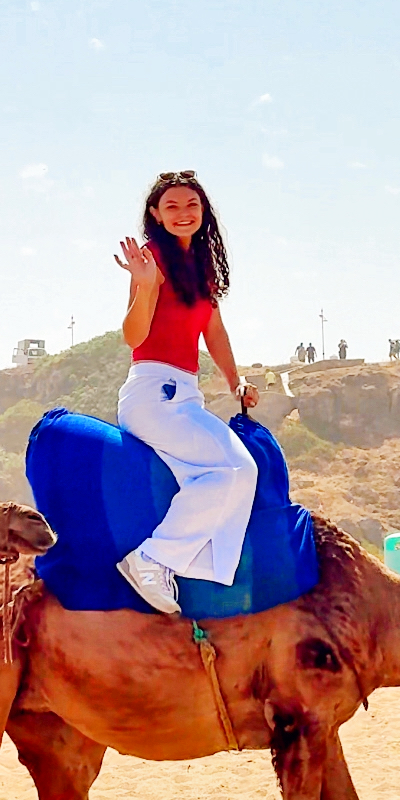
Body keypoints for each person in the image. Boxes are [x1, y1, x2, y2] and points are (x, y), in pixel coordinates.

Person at [114, 171, 260, 614]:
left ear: (203, 212)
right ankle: (151, 558)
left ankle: (175, 565)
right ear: (155, 215)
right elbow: (133, 336)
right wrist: (146, 286)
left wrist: (235, 381)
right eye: (172, 206)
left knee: (243, 471)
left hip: (186, 395)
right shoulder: (150, 259)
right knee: (234, 469)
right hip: (152, 392)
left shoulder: (201, 268)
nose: (183, 214)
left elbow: (212, 329)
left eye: (191, 205)